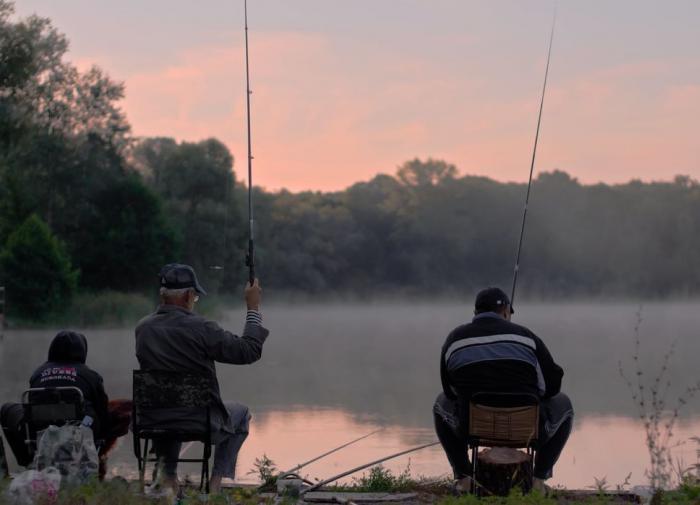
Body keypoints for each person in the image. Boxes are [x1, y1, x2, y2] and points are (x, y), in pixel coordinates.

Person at [135, 264, 269, 493]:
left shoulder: (143, 328)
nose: (193, 300)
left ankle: (168, 480)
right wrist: (253, 308)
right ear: (188, 295)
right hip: (198, 421)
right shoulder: (201, 327)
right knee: (241, 413)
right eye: (195, 297)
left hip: (152, 420)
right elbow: (248, 351)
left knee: (169, 407)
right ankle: (215, 487)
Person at [433, 287, 573, 493]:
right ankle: (538, 481)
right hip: (527, 430)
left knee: (440, 403)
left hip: (472, 428)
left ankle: (463, 479)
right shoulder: (527, 338)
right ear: (506, 311)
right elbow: (551, 388)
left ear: (475, 313)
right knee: (565, 404)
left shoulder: (455, 340)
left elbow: (450, 390)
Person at [0, 331, 131, 478]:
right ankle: (94, 459)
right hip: (82, 431)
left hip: (41, 431)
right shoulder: (90, 375)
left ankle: (28, 461)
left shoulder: (38, 373)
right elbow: (102, 410)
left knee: (6, 409)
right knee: (107, 413)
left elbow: (32, 401)